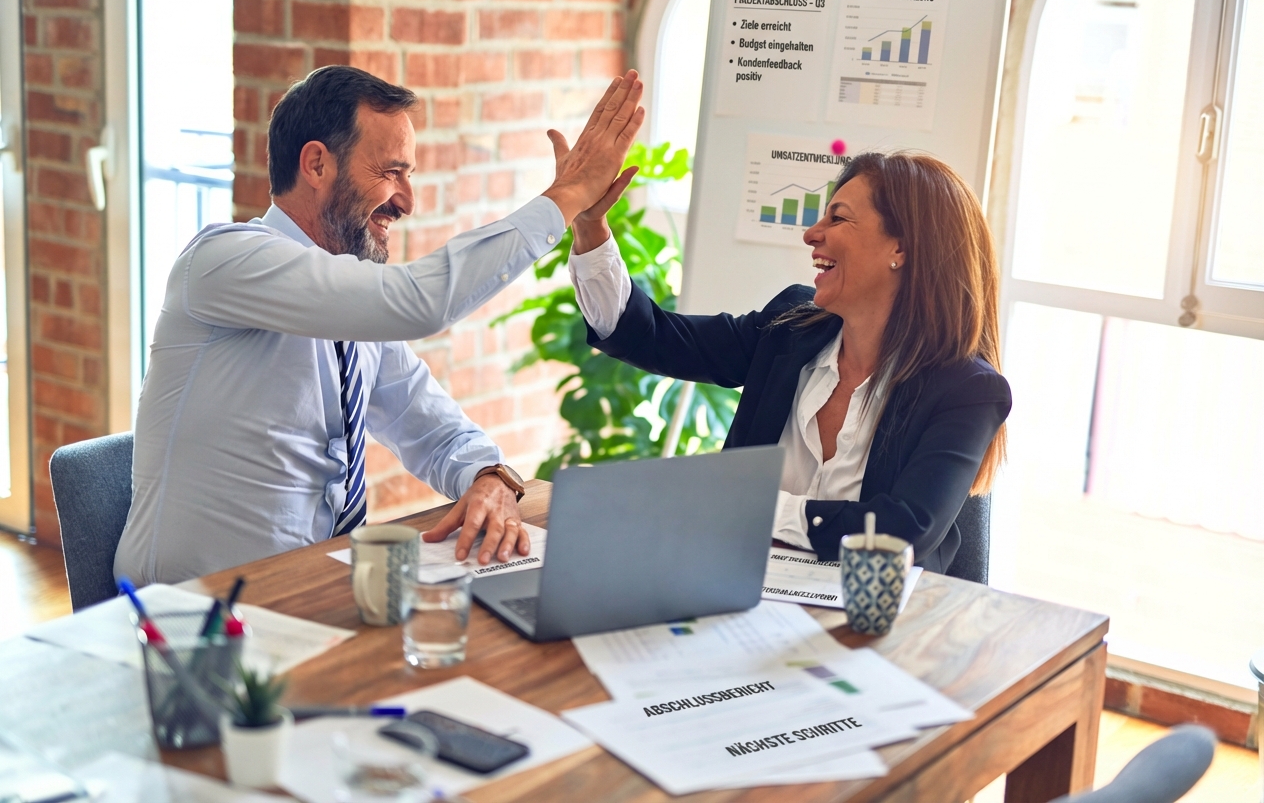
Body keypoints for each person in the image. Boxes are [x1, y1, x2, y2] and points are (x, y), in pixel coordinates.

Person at [115, 65, 644, 585]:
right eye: (391, 172)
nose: (407, 201)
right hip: (191, 618)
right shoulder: (224, 261)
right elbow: (420, 302)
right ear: (317, 165)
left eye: (408, 175)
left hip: (311, 594)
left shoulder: (352, 310)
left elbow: (433, 428)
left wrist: (489, 476)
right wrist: (568, 195)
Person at [567, 151, 1011, 573]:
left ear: (902, 249)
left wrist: (751, 506)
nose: (812, 234)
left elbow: (901, 532)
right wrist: (590, 226)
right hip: (740, 593)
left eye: (838, 218)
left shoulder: (967, 390)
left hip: (876, 626)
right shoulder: (790, 329)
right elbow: (652, 337)